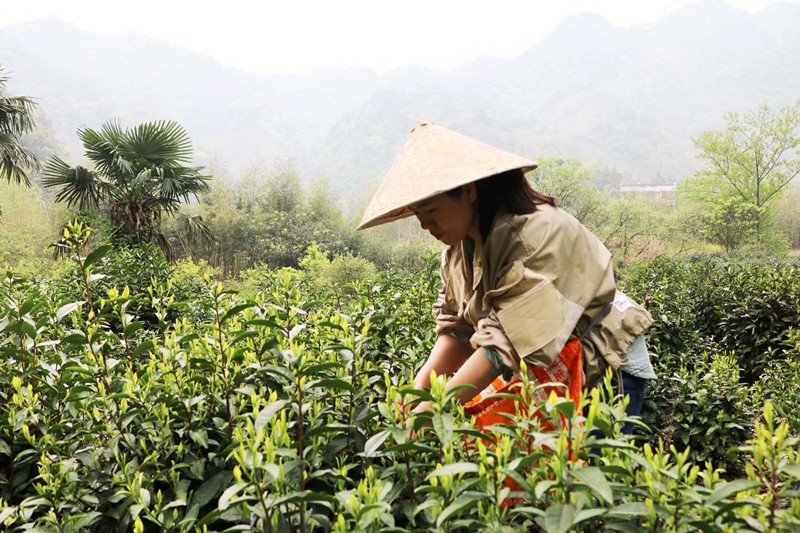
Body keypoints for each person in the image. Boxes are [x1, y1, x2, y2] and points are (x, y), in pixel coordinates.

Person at [357, 122, 656, 432]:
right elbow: (458, 329)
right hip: (549, 361)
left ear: (468, 191)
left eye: (430, 211)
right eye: (418, 215)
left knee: (582, 460)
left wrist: (436, 407)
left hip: (606, 361)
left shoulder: (535, 234)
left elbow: (506, 343)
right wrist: (420, 389)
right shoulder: (459, 248)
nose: (424, 225)